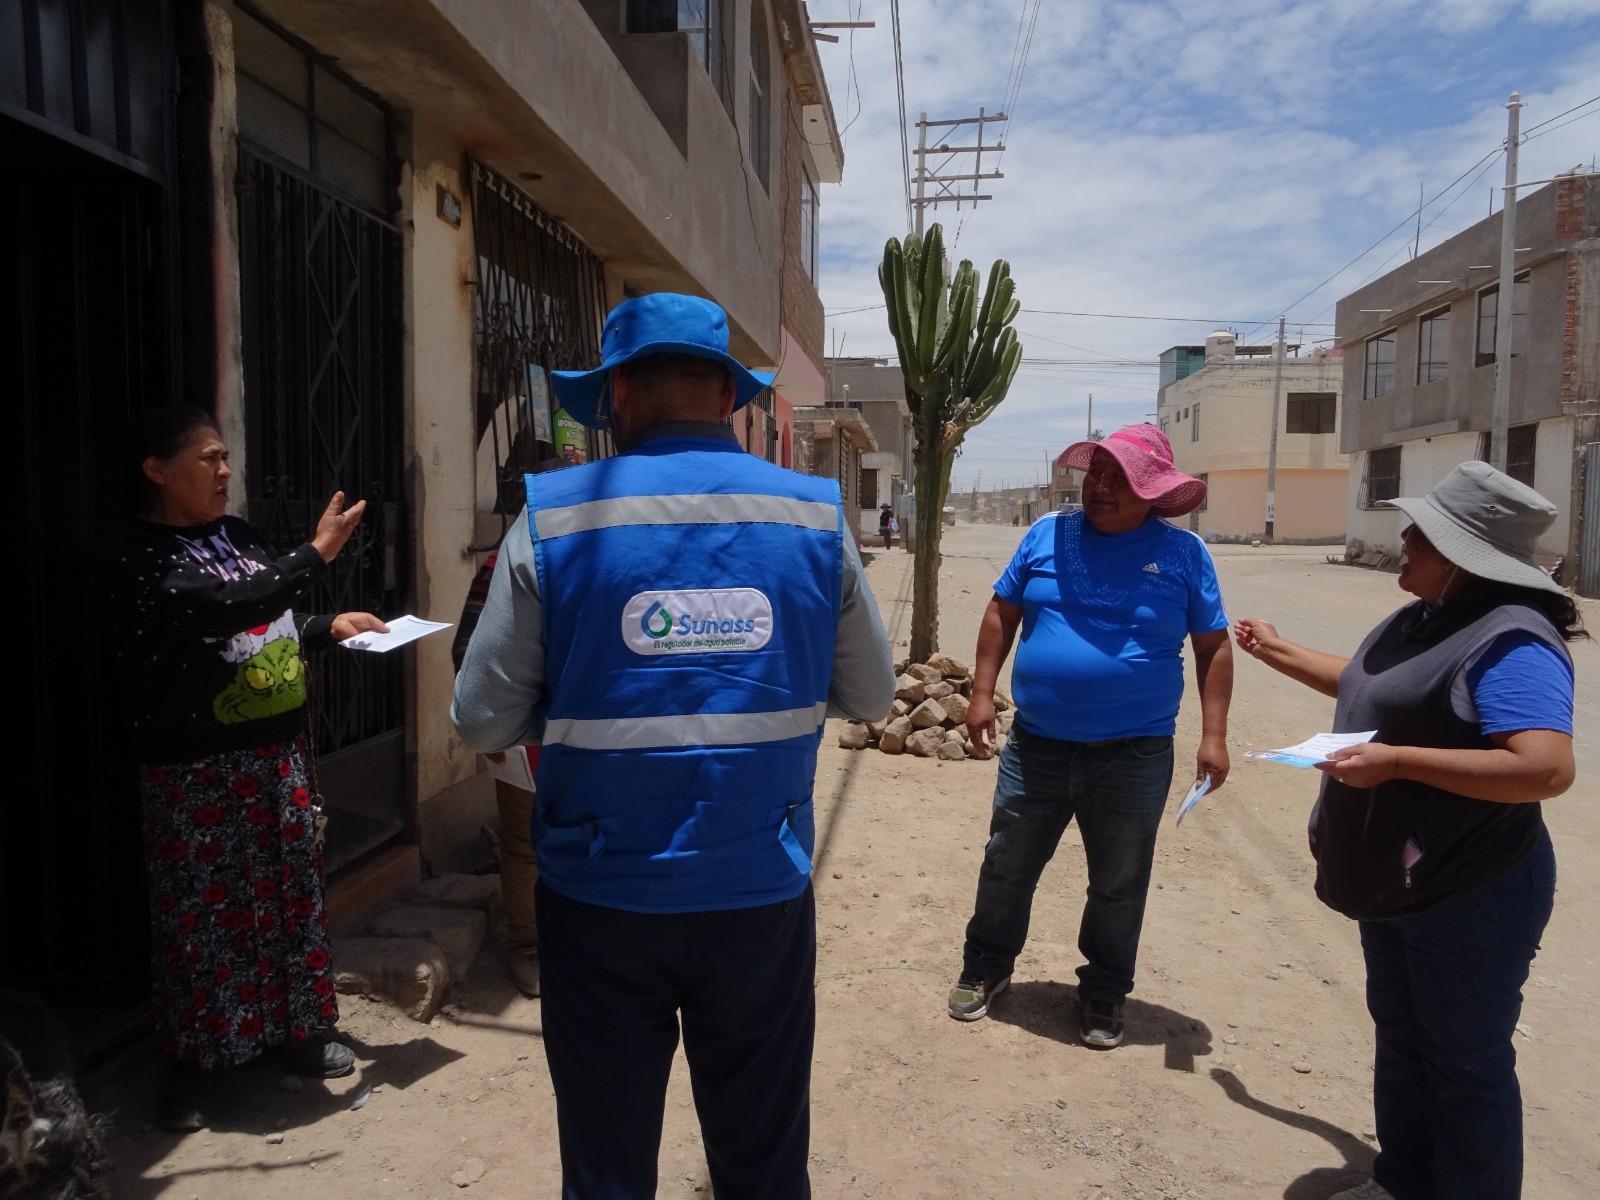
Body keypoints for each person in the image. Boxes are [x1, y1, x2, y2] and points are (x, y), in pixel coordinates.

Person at [452, 293, 895, 1199]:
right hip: (757, 893)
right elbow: (871, 694)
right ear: (728, 396)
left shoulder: (554, 516)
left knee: (608, 1166)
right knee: (762, 1158)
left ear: (616, 393)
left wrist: (582, 705)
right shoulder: (815, 516)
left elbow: (482, 719)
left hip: (597, 889)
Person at [1233, 461, 1580, 1200]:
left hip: (1471, 888)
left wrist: (1395, 763)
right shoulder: (1426, 618)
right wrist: (1279, 649)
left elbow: (1544, 768)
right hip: (1404, 879)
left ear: (1464, 556)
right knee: (1403, 1038)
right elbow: (1372, 686)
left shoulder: (1511, 639)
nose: (1405, 541)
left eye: (1422, 533)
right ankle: (1404, 1183)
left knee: (1463, 1062)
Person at [110, 408, 389, 1131]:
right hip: (196, 770)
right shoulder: (139, 553)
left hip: (277, 760)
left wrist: (328, 627)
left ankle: (299, 1030)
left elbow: (265, 621)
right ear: (155, 469)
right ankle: (195, 1063)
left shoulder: (236, 536)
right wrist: (315, 555)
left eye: (227, 457)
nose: (225, 471)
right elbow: (217, 608)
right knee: (200, 916)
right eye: (208, 458)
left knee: (290, 899)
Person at [948, 423, 1233, 1050]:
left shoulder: (1184, 554)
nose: (1099, 487)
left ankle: (1104, 991)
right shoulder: (1046, 534)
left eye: (1117, 477)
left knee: (1118, 881)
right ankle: (986, 965)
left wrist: (1214, 736)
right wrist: (979, 692)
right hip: (1038, 744)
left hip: (1135, 753)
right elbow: (1003, 609)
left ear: (1153, 490)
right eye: (1094, 473)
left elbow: (1212, 646)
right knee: (1008, 864)